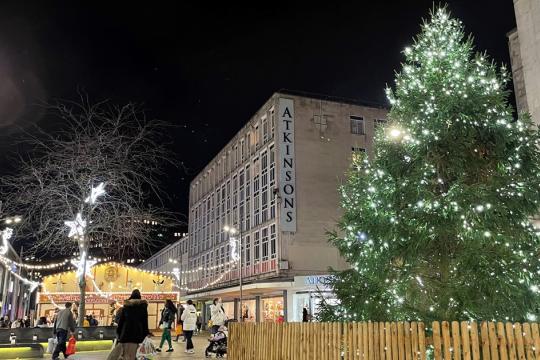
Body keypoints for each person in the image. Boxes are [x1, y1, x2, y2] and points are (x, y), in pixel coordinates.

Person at [107, 289, 150, 360]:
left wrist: (119, 333)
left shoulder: (126, 307)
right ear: (139, 296)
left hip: (125, 335)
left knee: (125, 356)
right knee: (134, 355)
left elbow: (121, 322)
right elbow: (145, 322)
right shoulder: (143, 307)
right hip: (137, 335)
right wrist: (146, 334)